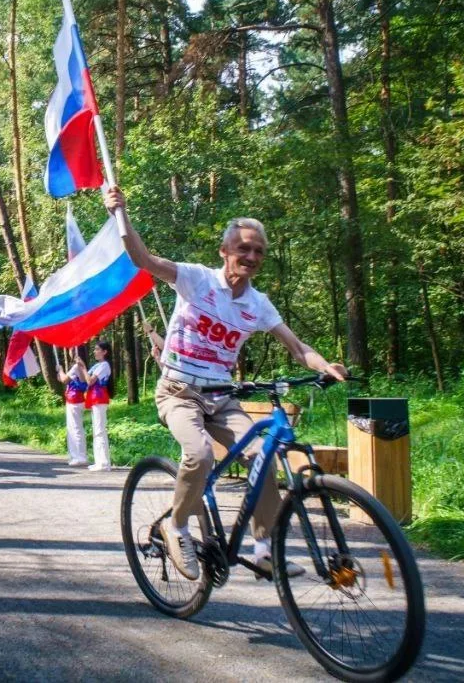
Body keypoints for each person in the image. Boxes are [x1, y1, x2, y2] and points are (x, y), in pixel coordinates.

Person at [105, 185, 347, 582]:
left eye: (258, 252)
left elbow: (298, 347)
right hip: (179, 393)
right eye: (243, 249)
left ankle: (265, 550)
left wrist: (325, 366)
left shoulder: (258, 304)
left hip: (222, 398)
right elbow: (142, 259)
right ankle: (177, 527)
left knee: (264, 456)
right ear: (224, 252)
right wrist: (121, 213)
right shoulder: (196, 280)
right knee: (199, 454)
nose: (250, 257)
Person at [57, 354, 90, 467]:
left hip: (75, 400)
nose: (70, 351)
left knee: (75, 428)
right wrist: (61, 374)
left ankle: (79, 456)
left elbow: (65, 379)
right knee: (74, 428)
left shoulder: (77, 366)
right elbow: (65, 379)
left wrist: (60, 370)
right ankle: (76, 455)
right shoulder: (78, 366)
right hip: (75, 399)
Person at [85, 341, 113, 471]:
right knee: (97, 430)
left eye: (97, 349)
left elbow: (90, 381)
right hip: (95, 398)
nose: (94, 351)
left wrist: (83, 368)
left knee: (100, 430)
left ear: (104, 352)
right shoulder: (98, 365)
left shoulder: (104, 365)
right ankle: (99, 461)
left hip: (99, 398)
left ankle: (104, 463)